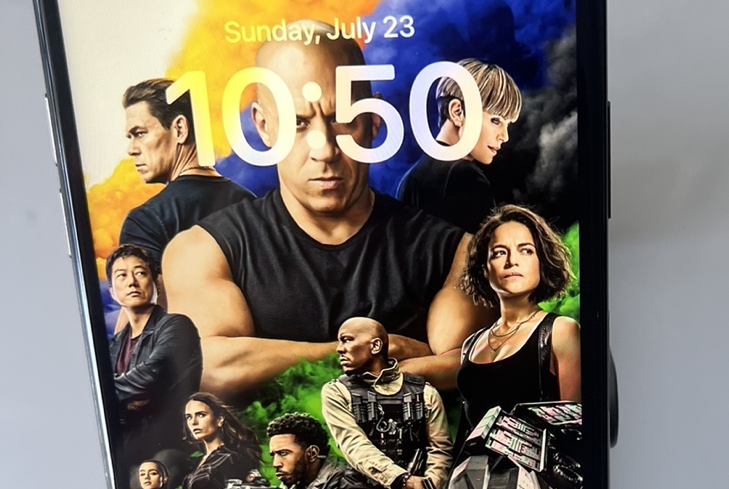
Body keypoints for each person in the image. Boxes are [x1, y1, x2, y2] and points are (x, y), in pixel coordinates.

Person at [162, 24, 487, 401]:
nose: (325, 150)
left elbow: (466, 366)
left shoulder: (456, 252)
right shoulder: (204, 250)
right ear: (264, 126)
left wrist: (273, 359)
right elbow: (211, 367)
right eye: (299, 123)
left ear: (373, 120)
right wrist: (376, 352)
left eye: (342, 119)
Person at [456, 205, 581, 432]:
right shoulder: (471, 345)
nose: (512, 261)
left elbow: (574, 430)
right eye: (499, 252)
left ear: (541, 261)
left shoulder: (561, 331)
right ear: (484, 268)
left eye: (526, 250)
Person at [322, 316, 453, 489]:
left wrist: (429, 487)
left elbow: (440, 449)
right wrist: (403, 479)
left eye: (346, 340)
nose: (339, 349)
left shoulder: (425, 392)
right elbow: (354, 445)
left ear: (375, 346)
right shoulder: (337, 391)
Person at [118, 78, 253, 279]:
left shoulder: (145, 222)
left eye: (139, 133)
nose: (131, 149)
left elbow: (147, 299)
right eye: (130, 137)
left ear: (180, 129)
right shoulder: (251, 204)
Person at [396, 59, 521, 233]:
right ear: (457, 112)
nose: (504, 136)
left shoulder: (410, 179)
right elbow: (479, 249)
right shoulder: (467, 178)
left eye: (507, 125)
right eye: (495, 120)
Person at [107, 244, 202, 462]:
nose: (132, 282)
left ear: (156, 282)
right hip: (126, 449)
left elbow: (151, 375)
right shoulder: (115, 345)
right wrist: (122, 400)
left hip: (168, 449)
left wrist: (112, 396)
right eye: (122, 276)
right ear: (112, 291)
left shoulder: (176, 325)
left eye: (140, 273)